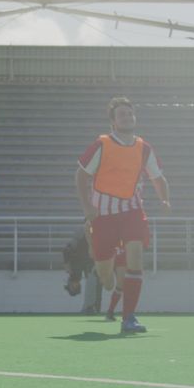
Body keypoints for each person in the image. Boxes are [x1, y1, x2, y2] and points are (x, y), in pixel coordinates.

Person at [75, 97, 171, 334]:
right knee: (107, 279)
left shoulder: (143, 147)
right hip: (103, 215)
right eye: (122, 115)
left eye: (130, 113)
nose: (127, 117)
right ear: (113, 122)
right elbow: (80, 176)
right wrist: (87, 206)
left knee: (135, 256)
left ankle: (129, 317)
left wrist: (165, 199)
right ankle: (106, 276)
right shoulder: (102, 144)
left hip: (132, 210)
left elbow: (158, 178)